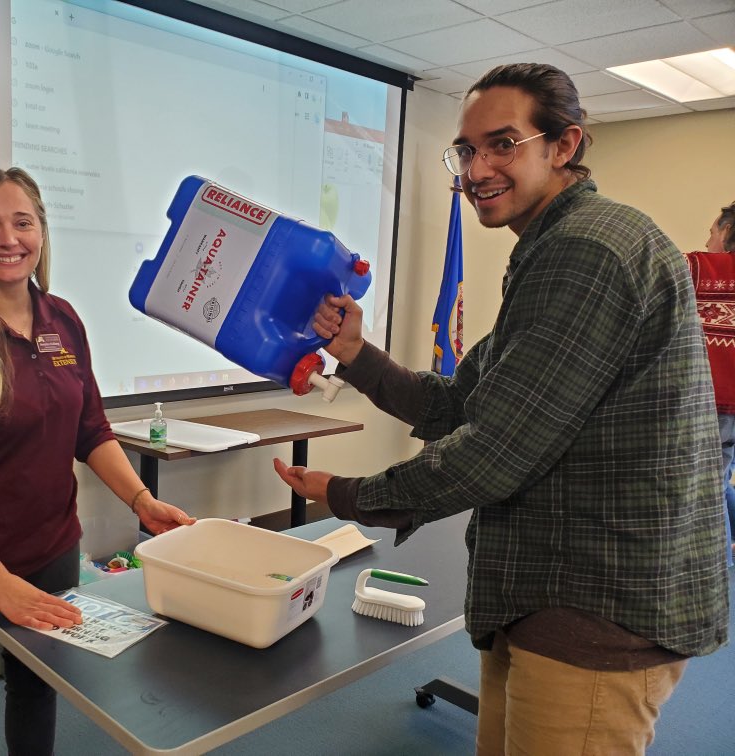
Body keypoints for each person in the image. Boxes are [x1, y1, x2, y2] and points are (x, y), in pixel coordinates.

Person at [274, 64, 729, 754]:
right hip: (543, 592)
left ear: (564, 144)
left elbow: (494, 451)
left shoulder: (589, 251)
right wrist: (356, 353)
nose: (477, 168)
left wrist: (348, 494)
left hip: (592, 607)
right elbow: (460, 403)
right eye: (466, 149)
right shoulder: (551, 251)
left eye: (503, 144)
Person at [0, 166, 194, 755]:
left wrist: (142, 500)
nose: (8, 239)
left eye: (22, 222)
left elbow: (91, 429)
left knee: (37, 695)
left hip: (52, 557)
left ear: (41, 231)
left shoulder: (63, 320)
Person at [685, 201, 735, 565]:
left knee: (702, 491)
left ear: (729, 232)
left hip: (714, 403)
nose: (708, 238)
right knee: (718, 483)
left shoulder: (702, 267)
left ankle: (710, 568)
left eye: (714, 230)